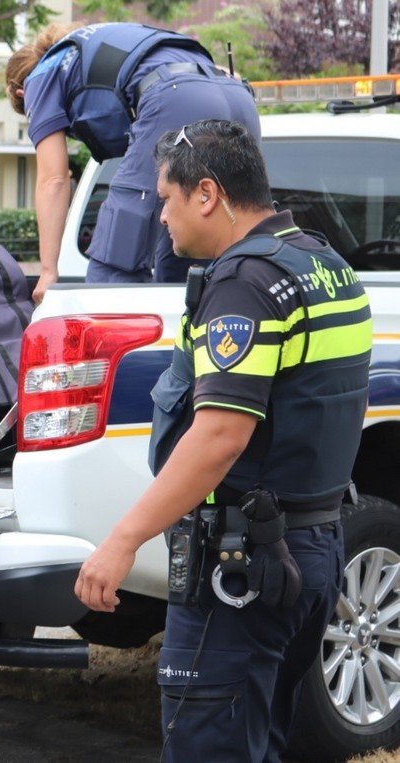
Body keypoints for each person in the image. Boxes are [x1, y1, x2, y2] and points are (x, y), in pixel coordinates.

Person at [74, 119, 371, 761]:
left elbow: (219, 438)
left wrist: (123, 540)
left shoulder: (244, 284)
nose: (161, 218)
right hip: (313, 549)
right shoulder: (327, 264)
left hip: (245, 567)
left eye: (166, 199)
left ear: (206, 193)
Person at [5, 23, 261, 304]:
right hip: (238, 97)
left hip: (175, 96)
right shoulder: (91, 45)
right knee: (188, 253)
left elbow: (53, 179)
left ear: (21, 95)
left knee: (115, 262)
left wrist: (47, 271)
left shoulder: (41, 77)